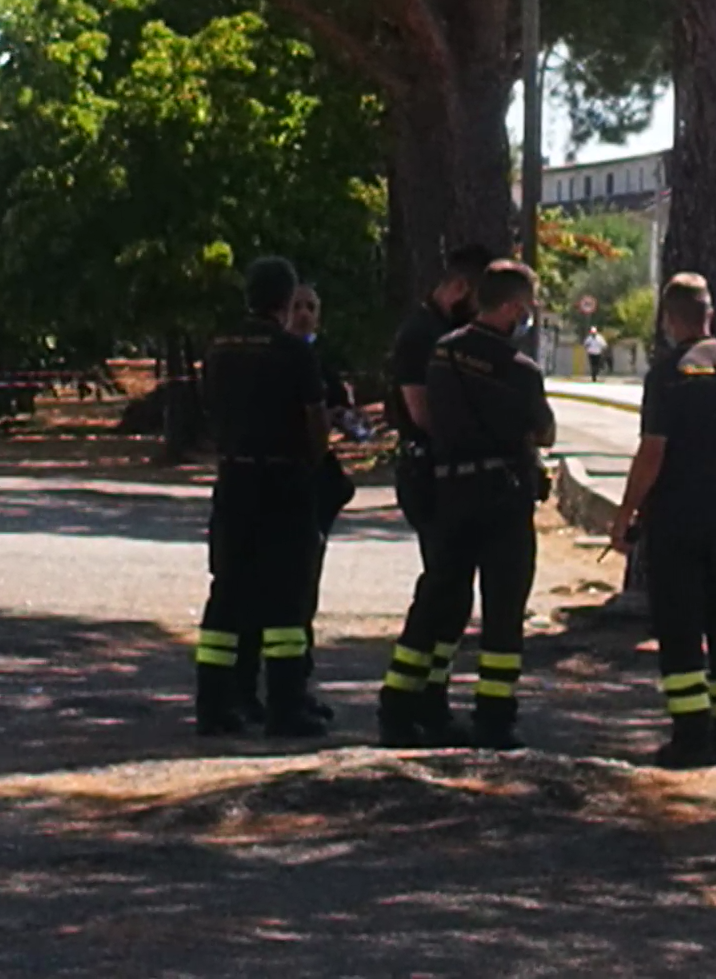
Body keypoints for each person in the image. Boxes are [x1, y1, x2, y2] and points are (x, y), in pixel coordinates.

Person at [379, 261, 555, 750]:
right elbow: (544, 431)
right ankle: (494, 718)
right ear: (514, 307)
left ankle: (396, 706)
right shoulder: (520, 370)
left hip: (450, 493)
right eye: (527, 309)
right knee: (502, 610)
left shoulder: (443, 352)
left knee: (437, 599)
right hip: (503, 497)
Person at [611, 273, 716, 769]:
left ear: (669, 319)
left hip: (676, 520)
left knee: (682, 629)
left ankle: (690, 737)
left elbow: (652, 453)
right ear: (710, 314)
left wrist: (625, 516)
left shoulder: (667, 373)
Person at [194, 256, 329, 739]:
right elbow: (316, 423)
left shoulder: (219, 347)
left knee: (227, 593)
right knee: (286, 598)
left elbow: (211, 409)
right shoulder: (294, 352)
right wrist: (310, 464)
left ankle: (214, 704)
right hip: (282, 481)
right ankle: (286, 705)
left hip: (233, 479)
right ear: (285, 298)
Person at [223, 282, 352, 726]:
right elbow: (313, 428)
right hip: (282, 482)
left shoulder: (316, 361)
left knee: (299, 597)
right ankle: (267, 696)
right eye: (296, 305)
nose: (303, 315)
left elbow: (341, 413)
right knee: (271, 596)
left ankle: (292, 687)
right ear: (282, 308)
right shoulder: (282, 355)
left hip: (296, 488)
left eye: (311, 307)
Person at [380, 244, 494, 741]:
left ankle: (432, 698)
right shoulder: (420, 334)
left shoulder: (444, 332)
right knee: (442, 588)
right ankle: (403, 703)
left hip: (454, 476)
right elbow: (424, 413)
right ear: (462, 289)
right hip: (429, 473)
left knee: (453, 594)